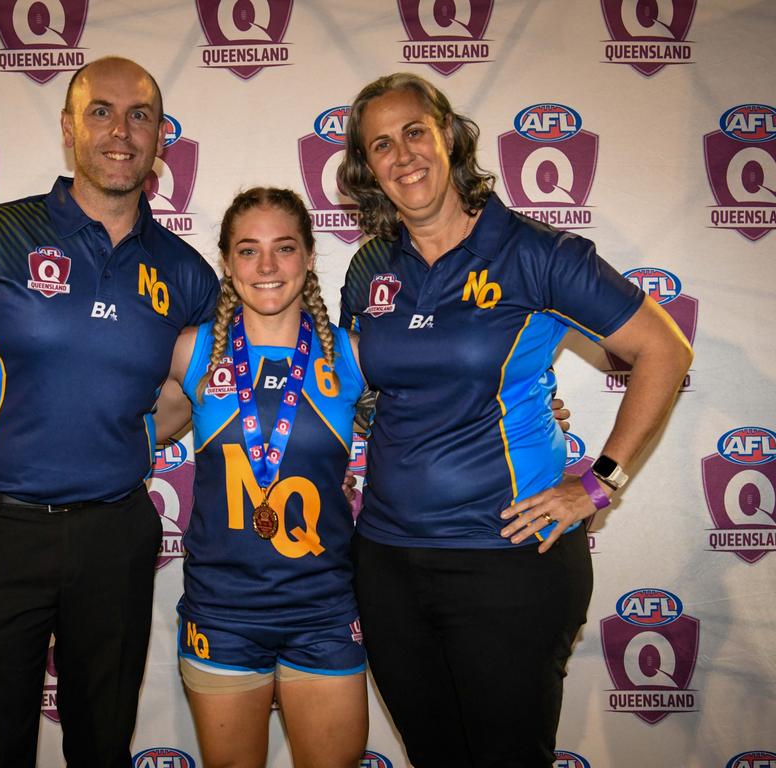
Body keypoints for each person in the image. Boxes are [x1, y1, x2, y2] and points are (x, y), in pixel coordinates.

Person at [336, 73, 693, 767]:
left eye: (415, 131)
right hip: (386, 562)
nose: (403, 154)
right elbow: (372, 393)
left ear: (449, 137)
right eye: (382, 144)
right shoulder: (370, 266)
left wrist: (599, 482)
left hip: (507, 562)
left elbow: (664, 352)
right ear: (367, 169)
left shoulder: (536, 252)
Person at [0, 57, 219, 767]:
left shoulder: (186, 272)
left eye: (140, 115)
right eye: (100, 111)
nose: (120, 131)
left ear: (161, 137)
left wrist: (117, 437)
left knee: (102, 746)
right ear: (70, 127)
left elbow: (187, 395)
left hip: (116, 536)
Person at [155, 188, 369, 768]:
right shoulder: (191, 352)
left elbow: (436, 416)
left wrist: (524, 410)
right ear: (227, 262)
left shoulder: (351, 356)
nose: (267, 267)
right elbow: (113, 433)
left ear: (309, 257)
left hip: (322, 609)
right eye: (248, 251)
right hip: (223, 613)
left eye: (284, 248)